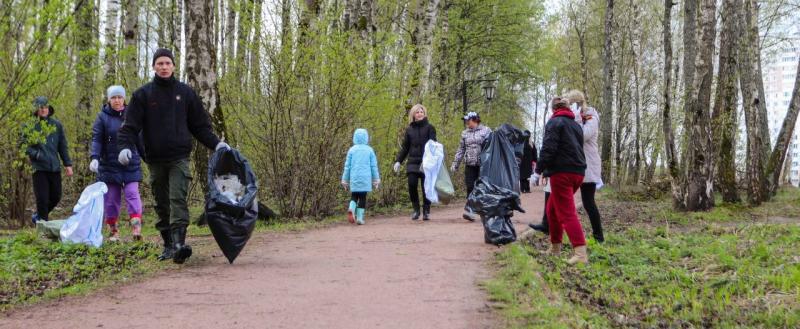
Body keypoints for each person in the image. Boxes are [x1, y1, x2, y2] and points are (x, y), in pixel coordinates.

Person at [117, 48, 229, 264]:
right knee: (161, 203)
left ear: (174, 66)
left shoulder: (185, 93)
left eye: (168, 63)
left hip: (179, 157)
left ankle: (179, 244)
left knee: (177, 198)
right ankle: (168, 244)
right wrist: (124, 147)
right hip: (155, 158)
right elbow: (129, 126)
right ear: (153, 67)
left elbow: (200, 126)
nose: (164, 67)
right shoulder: (143, 95)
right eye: (160, 63)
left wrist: (217, 144)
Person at [535, 97, 588, 265]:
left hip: (562, 173)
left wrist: (538, 171)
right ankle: (555, 248)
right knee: (551, 209)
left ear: (553, 109)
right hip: (578, 172)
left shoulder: (555, 122)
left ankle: (580, 254)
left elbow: (549, 148)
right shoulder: (576, 126)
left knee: (566, 212)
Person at [90, 85, 144, 242]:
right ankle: (113, 232)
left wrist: (147, 156)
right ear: (109, 99)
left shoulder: (132, 115)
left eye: (120, 97)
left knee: (132, 194)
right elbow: (97, 139)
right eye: (114, 97)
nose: (117, 100)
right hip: (109, 165)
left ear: (124, 98)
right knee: (111, 200)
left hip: (130, 163)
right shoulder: (102, 117)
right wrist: (95, 157)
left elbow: (140, 138)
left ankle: (136, 228)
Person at [22, 96, 73, 223]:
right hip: (39, 168)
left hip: (54, 167)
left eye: (45, 107)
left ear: (49, 109)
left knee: (56, 196)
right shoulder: (29, 126)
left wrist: (67, 164)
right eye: (41, 108)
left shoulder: (56, 125)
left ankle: (38, 216)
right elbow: (23, 145)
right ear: (36, 110)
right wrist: (36, 155)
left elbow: (62, 146)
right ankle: (42, 228)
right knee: (42, 199)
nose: (43, 110)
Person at [565, 90, 604, 242]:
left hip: (588, 165)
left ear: (577, 104)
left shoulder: (591, 117)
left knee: (588, 202)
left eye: (570, 105)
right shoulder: (575, 117)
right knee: (563, 200)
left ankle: (599, 237)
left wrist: (576, 119)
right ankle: (553, 229)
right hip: (575, 164)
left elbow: (583, 135)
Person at [393, 104, 437, 221]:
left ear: (424, 113)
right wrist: (398, 161)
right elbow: (405, 148)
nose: (420, 114)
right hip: (412, 162)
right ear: (413, 114)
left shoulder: (430, 128)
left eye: (421, 111)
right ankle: (416, 209)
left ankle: (426, 210)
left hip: (426, 163)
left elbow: (433, 146)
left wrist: (432, 161)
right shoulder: (409, 130)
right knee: (412, 185)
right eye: (417, 112)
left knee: (425, 188)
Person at [450, 112, 491, 221]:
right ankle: (470, 211)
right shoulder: (464, 133)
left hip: (483, 165)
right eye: (466, 121)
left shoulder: (486, 131)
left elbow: (491, 147)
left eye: (469, 120)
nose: (467, 123)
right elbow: (461, 149)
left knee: (482, 188)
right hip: (469, 164)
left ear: (475, 120)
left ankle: (484, 210)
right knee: (470, 186)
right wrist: (455, 164)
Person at [341, 129, 381, 225]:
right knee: (363, 197)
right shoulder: (369, 150)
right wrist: (376, 179)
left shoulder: (351, 150)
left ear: (355, 137)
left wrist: (344, 180)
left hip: (354, 177)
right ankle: (359, 218)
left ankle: (351, 208)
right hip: (365, 178)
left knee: (354, 195)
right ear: (366, 137)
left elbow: (347, 166)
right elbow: (373, 166)